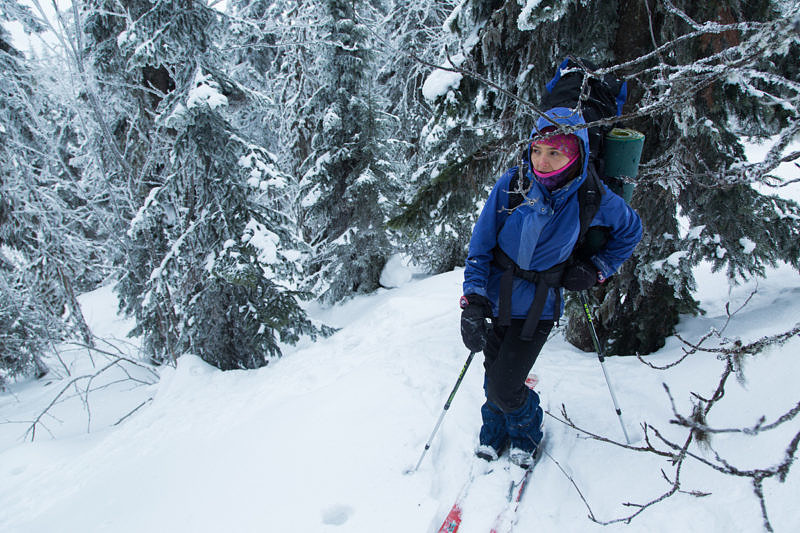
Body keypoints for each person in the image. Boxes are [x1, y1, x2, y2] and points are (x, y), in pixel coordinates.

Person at [459, 107, 643, 468]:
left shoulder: (592, 197)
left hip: (540, 305)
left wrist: (598, 269)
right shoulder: (513, 185)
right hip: (497, 298)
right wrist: (474, 301)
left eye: (555, 151)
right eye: (537, 150)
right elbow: (480, 247)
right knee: (493, 374)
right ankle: (495, 431)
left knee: (504, 385)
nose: (542, 161)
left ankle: (527, 429)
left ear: (577, 154)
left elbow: (630, 230)